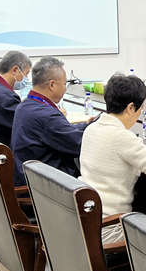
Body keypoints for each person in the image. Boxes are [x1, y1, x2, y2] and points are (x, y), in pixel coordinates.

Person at [80, 73, 146, 245]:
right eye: (140, 109)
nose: (139, 114)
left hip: (87, 218)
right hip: (110, 228)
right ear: (130, 108)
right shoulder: (122, 137)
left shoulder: (91, 129)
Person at [10, 56, 94, 186]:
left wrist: (85, 125)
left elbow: (62, 132)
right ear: (52, 84)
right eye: (64, 83)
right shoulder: (47, 115)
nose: (65, 89)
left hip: (29, 178)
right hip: (47, 186)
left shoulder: (25, 105)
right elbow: (78, 144)